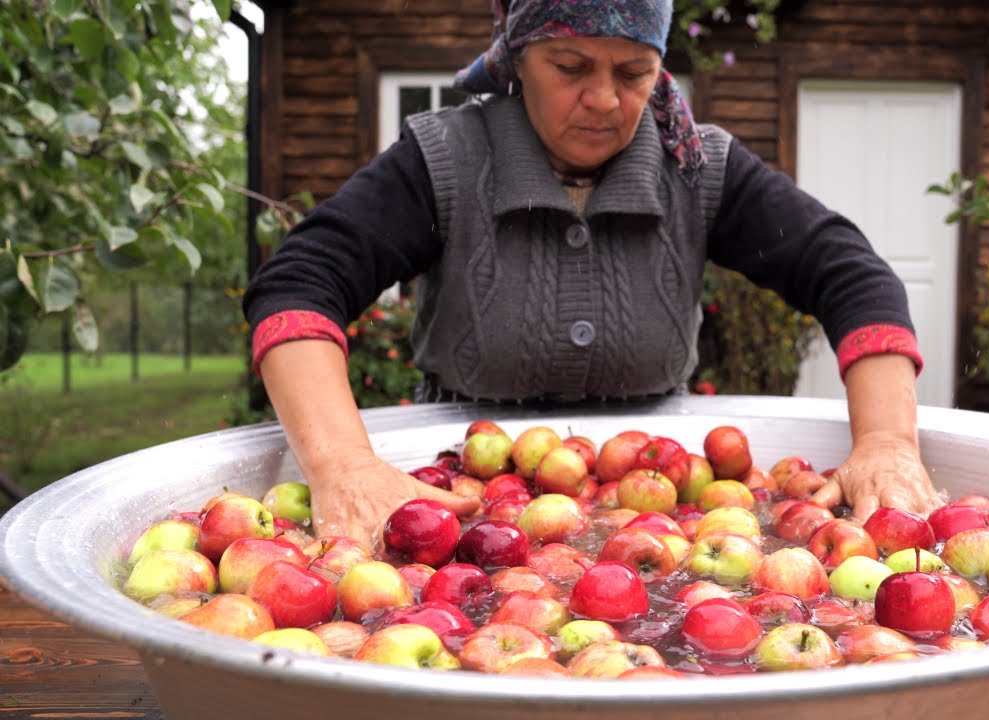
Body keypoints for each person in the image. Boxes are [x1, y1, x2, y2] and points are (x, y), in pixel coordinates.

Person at [242, 0, 942, 550]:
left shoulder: (697, 170)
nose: (605, 99)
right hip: (463, 507)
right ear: (520, 58)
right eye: (571, 67)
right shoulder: (445, 159)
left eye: (633, 72)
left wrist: (885, 444)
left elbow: (848, 273)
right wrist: (343, 467)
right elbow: (301, 282)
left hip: (658, 512)